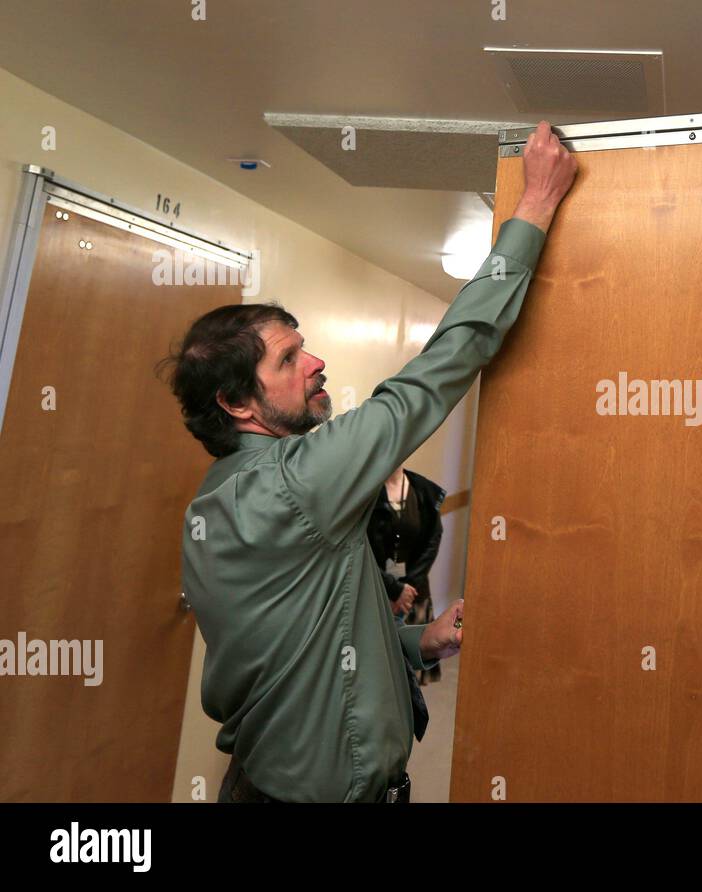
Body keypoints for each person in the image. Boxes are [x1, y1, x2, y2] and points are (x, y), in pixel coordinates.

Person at [165, 122, 577, 802]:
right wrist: (532, 210)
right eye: (290, 359)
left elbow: (309, 635)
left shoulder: (216, 501)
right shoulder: (297, 482)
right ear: (239, 403)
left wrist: (417, 642)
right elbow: (440, 368)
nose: (317, 362)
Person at [368, 463, 448, 684]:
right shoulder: (366, 492)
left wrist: (408, 588)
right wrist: (394, 589)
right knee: (379, 669)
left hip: (415, 593)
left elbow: (432, 542)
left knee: (411, 670)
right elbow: (360, 547)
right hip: (375, 590)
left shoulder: (424, 491)